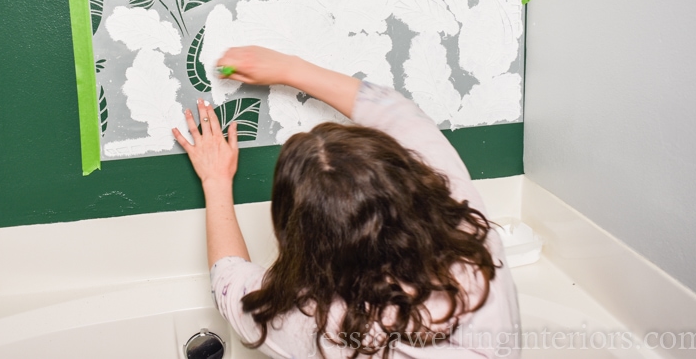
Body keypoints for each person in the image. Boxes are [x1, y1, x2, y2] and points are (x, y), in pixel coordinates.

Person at [172, 46, 520, 359]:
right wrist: (291, 69)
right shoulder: (470, 235)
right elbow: (398, 114)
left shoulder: (311, 324)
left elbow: (228, 279)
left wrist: (216, 180)